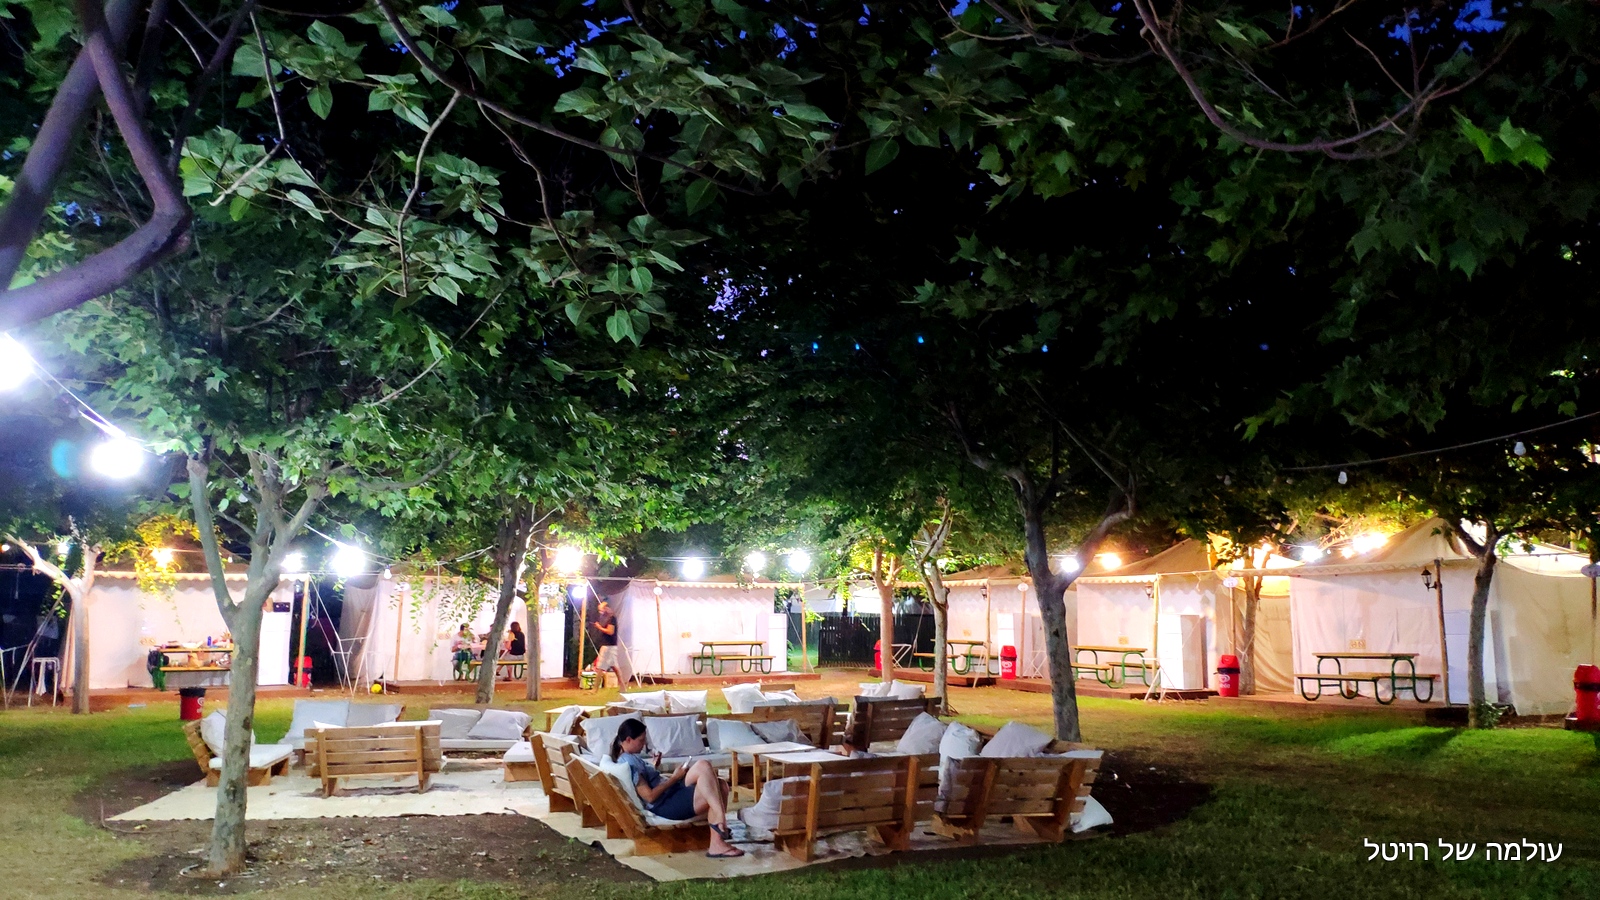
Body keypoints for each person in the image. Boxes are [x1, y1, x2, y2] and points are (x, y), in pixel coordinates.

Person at [609, 718, 744, 859]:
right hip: (666, 804)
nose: (644, 745)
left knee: (712, 775)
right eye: (641, 740)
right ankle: (720, 823)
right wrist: (674, 778)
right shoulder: (629, 762)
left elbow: (647, 780)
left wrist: (654, 767)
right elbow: (649, 796)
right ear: (628, 739)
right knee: (714, 780)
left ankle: (717, 840)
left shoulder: (629, 757)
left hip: (671, 792)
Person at [591, 599, 620, 690]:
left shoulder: (611, 619)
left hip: (609, 646)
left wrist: (599, 627)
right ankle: (623, 686)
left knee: (600, 667)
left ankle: (595, 689)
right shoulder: (606, 619)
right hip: (608, 645)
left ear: (607, 608)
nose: (601, 612)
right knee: (613, 667)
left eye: (602, 610)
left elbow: (610, 631)